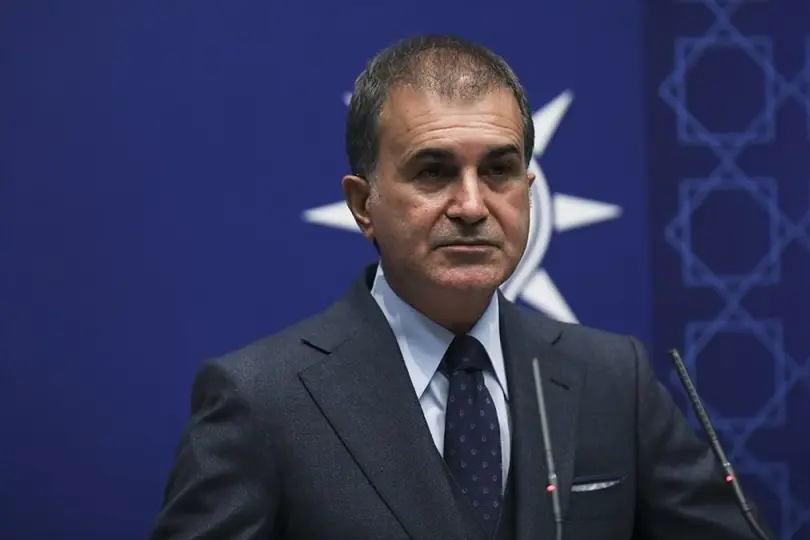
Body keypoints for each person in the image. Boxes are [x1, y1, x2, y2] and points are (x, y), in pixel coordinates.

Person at [148, 34, 773, 540]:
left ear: (528, 193)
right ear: (363, 205)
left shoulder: (613, 379)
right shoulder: (263, 400)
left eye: (499, 170)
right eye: (433, 172)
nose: (472, 205)